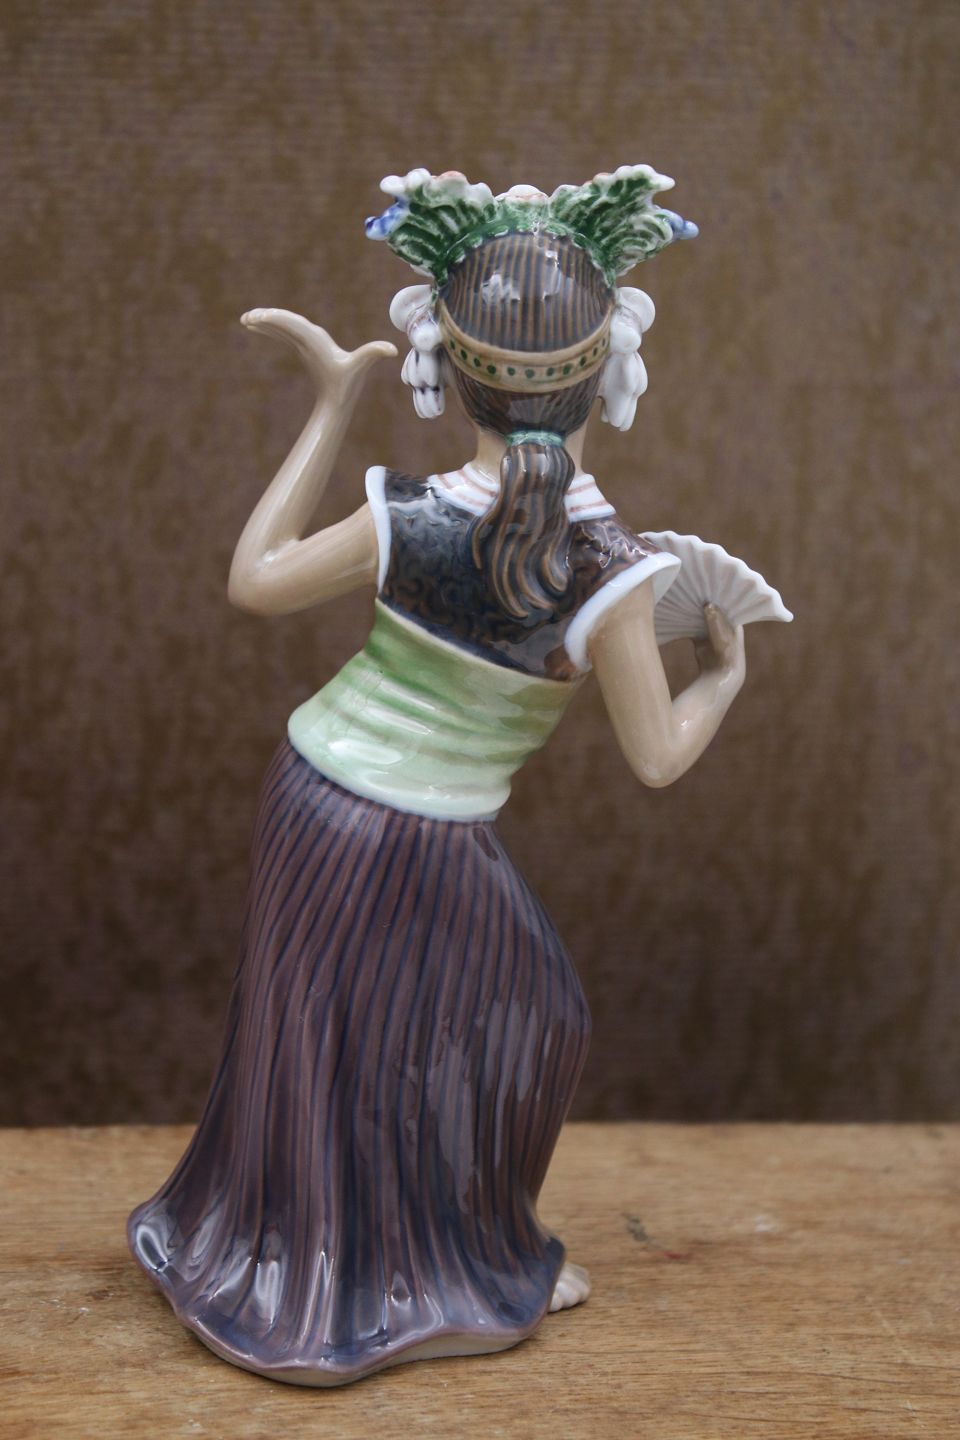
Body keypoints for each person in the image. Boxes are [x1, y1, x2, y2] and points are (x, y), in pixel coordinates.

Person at [128, 167, 745, 1386]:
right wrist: (722, 672)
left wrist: (328, 411)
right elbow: (659, 759)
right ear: (611, 374)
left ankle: (328, 1253)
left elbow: (254, 580)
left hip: (313, 797)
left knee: (332, 1043)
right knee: (516, 1020)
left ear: (448, 374)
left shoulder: (408, 510)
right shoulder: (612, 568)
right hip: (414, 831)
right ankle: (441, 1264)